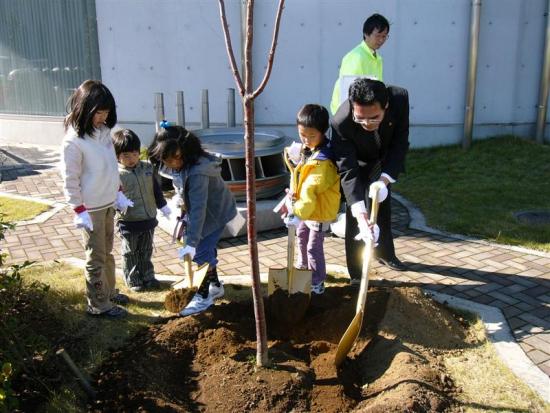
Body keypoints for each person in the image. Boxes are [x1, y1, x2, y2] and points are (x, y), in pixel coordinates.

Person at [60, 80, 133, 318]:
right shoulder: (73, 141)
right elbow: (70, 179)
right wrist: (78, 209)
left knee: (108, 252)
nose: (103, 117)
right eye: (99, 112)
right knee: (96, 256)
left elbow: (111, 167)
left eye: (107, 112)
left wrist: (118, 192)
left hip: (108, 204)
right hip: (90, 209)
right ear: (85, 108)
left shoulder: (103, 134)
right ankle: (98, 304)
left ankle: (110, 292)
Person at [148, 125, 239, 316]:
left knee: (200, 253)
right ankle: (215, 285)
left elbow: (199, 211)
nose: (171, 163)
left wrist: (191, 242)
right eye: (166, 159)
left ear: (186, 150)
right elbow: (183, 189)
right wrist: (181, 201)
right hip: (205, 210)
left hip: (214, 213)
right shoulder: (183, 164)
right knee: (204, 250)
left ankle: (203, 295)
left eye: (174, 158)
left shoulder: (198, 172)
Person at [331, 77, 410, 285]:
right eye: (360, 118)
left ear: (385, 106)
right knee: (356, 219)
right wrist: (359, 211)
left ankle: (385, 254)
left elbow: (400, 144)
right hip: (358, 162)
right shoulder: (341, 122)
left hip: (383, 160)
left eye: (374, 117)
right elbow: (348, 170)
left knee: (383, 207)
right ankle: (357, 274)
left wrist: (384, 180)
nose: (366, 123)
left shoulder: (399, 100)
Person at [280, 104, 340, 295]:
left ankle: (316, 282)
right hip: (304, 208)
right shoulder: (307, 151)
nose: (306, 140)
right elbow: (299, 178)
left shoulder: (324, 161)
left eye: (311, 136)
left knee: (314, 246)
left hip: (319, 211)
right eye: (302, 134)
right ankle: (302, 270)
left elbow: (310, 190)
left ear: (324, 132)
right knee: (301, 238)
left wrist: (297, 212)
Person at [112, 129, 172, 292]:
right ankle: (132, 278)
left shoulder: (147, 168)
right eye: (125, 156)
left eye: (133, 154)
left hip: (148, 219)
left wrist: (163, 206)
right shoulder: (115, 174)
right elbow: (110, 196)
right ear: (117, 156)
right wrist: (117, 204)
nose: (131, 159)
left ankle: (148, 275)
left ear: (139, 152)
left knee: (146, 249)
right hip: (129, 221)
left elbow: (155, 189)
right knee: (130, 252)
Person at [330, 13, 390, 115]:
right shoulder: (356, 57)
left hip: (365, 110)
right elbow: (348, 90)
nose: (381, 40)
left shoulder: (377, 57)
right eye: (378, 36)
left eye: (384, 36)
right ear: (366, 34)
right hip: (349, 112)